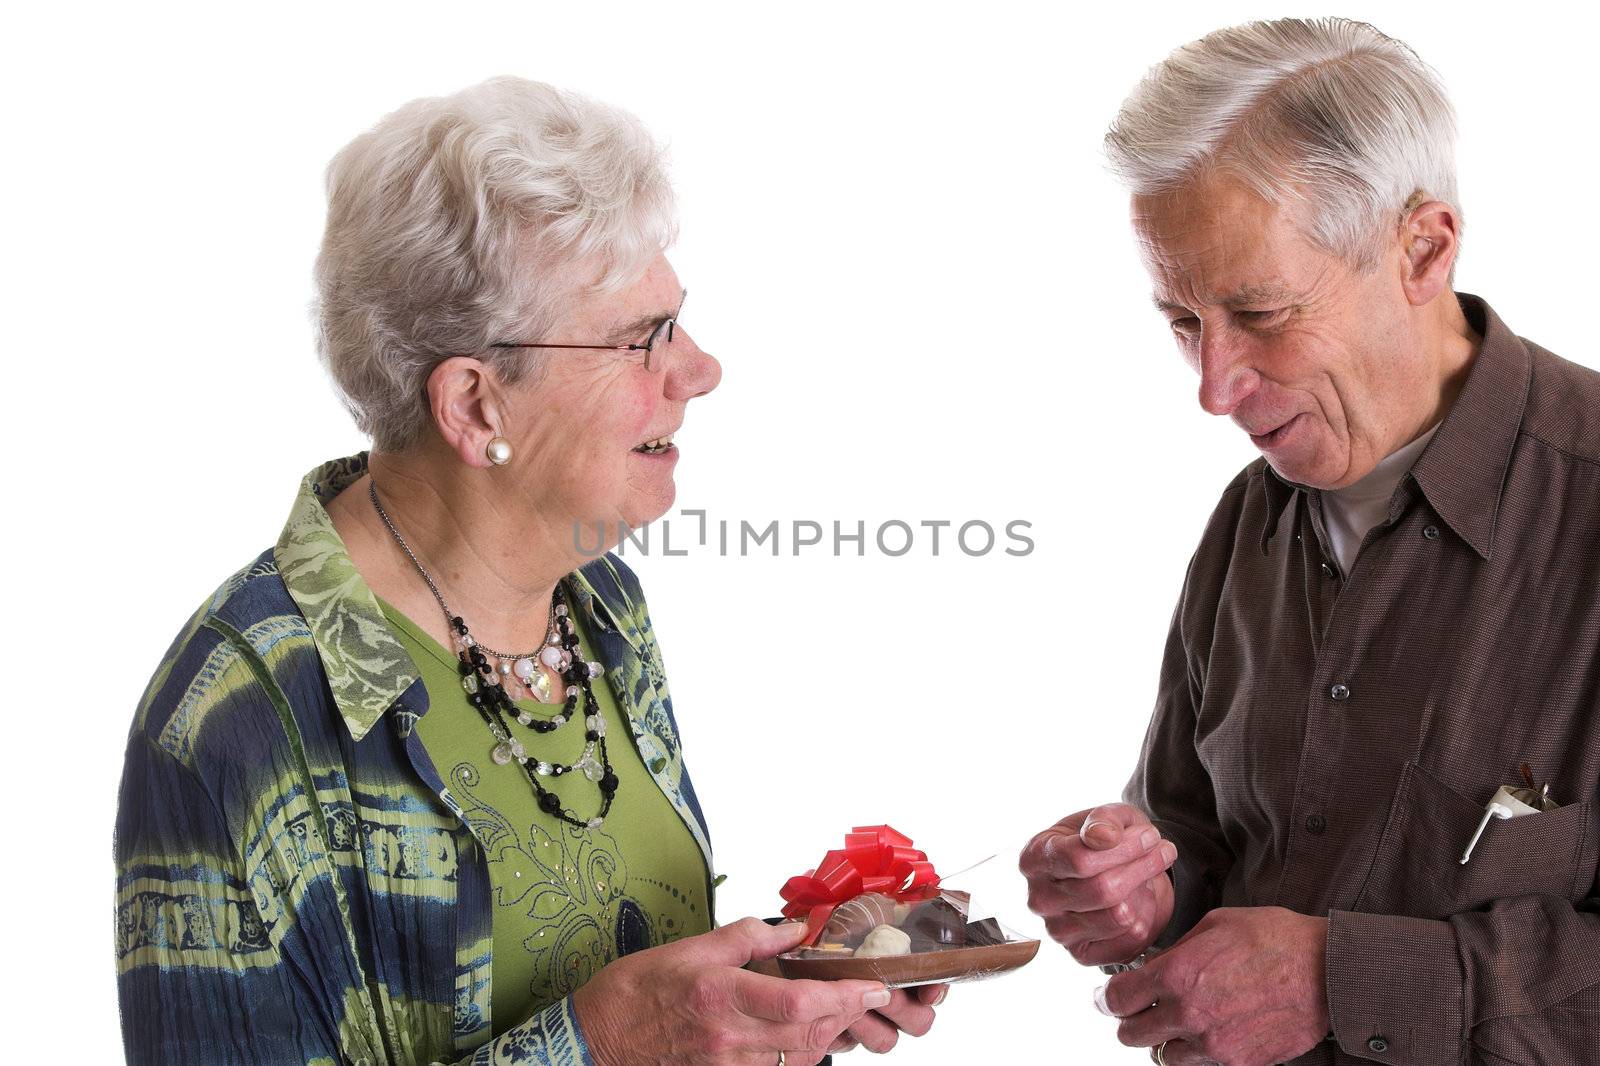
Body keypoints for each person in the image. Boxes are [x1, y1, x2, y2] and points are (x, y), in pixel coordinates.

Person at [114, 76, 944, 1066]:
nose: (700, 370)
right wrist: (596, 1044)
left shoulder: (600, 605)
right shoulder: (241, 715)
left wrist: (765, 998)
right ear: (474, 405)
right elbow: (610, 1031)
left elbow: (633, 989)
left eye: (677, 321)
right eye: (643, 339)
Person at [1019, 18, 1599, 1066]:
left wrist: (1345, 981)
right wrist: (1139, 893)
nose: (1211, 389)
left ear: (1422, 247)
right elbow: (1200, 842)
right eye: (1181, 321)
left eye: (1261, 311)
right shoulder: (1250, 514)